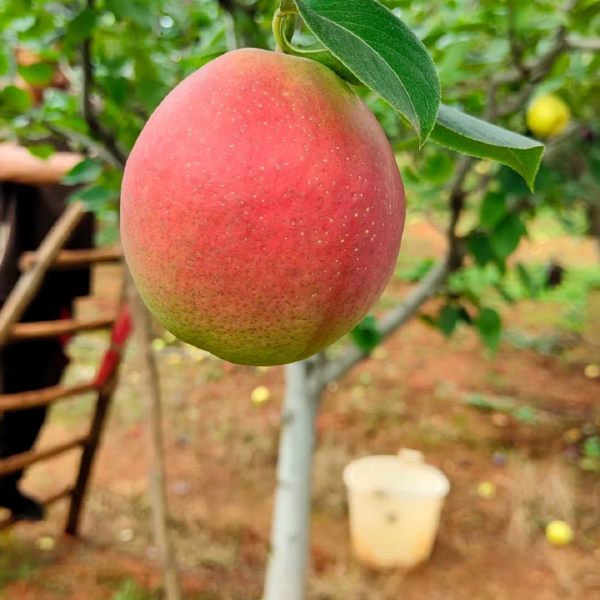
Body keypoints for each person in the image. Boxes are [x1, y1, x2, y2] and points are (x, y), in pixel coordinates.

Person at [0, 51, 95, 521]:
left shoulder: (73, 118)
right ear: (21, 54)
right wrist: (85, 168)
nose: (57, 62)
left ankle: (8, 481)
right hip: (8, 281)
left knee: (38, 383)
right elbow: (5, 161)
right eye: (45, 50)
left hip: (54, 283)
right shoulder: (8, 106)